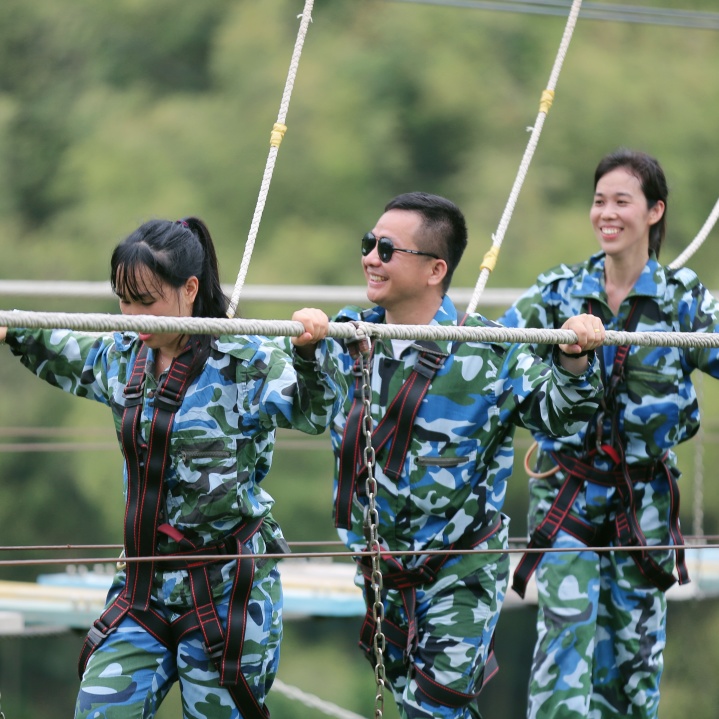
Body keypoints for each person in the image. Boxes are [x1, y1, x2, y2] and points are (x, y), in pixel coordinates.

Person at [0, 216, 343, 719]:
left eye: (147, 301)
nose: (133, 316)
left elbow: (315, 412)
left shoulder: (243, 359)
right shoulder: (124, 356)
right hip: (144, 586)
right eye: (124, 301)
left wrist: (311, 350)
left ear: (190, 288)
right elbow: (62, 348)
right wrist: (12, 328)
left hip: (227, 590)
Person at [297, 191, 605, 719]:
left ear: (435, 269)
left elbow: (562, 418)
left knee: (433, 711)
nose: (371, 258)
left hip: (460, 571)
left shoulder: (486, 351)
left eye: (387, 249)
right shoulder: (345, 338)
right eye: (368, 244)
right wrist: (303, 350)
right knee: (424, 707)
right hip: (381, 573)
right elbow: (305, 413)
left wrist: (574, 361)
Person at [498, 148, 719, 719]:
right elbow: (493, 346)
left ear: (654, 212)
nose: (607, 213)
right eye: (600, 201)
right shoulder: (559, 292)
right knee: (565, 640)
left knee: (633, 657)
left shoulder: (681, 298)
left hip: (642, 497)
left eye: (623, 201)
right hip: (567, 490)